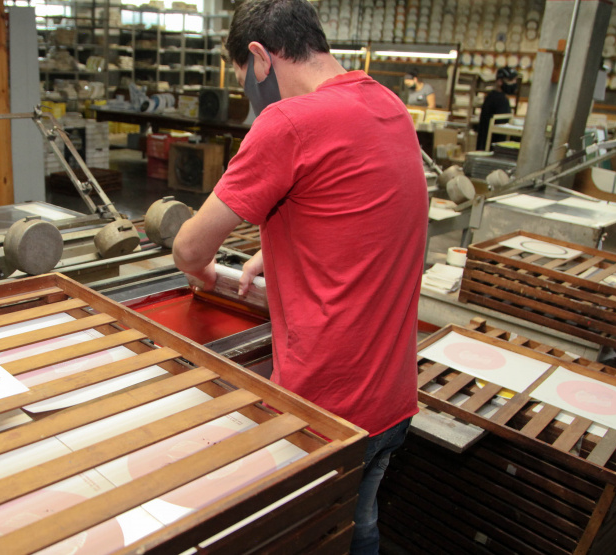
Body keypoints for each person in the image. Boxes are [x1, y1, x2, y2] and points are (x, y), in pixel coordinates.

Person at [170, 0, 427, 553]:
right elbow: (362, 208)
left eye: (243, 78)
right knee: (358, 526)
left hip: (324, 407)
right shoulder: (386, 104)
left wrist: (204, 269)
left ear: (260, 57)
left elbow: (189, 247)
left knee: (302, 541)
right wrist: (279, 248)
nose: (249, 95)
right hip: (392, 397)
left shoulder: (289, 121)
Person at [476, 67, 518, 151]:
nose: (514, 83)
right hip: (493, 147)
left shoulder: (494, 96)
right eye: (510, 80)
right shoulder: (499, 100)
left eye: (515, 80)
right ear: (499, 81)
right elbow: (502, 126)